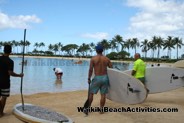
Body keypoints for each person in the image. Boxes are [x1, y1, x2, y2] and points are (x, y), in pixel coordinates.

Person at [87, 44, 112, 114]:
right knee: (103, 94)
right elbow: (111, 67)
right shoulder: (106, 59)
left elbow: (90, 70)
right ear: (102, 50)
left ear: (96, 50)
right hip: (105, 77)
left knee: (91, 93)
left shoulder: (93, 59)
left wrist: (89, 78)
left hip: (97, 77)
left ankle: (88, 108)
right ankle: (101, 109)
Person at [0, 45, 24, 117]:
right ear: (10, 51)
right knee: (4, 98)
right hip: (5, 82)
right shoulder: (10, 61)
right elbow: (10, 73)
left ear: (3, 50)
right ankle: (1, 113)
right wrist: (19, 75)